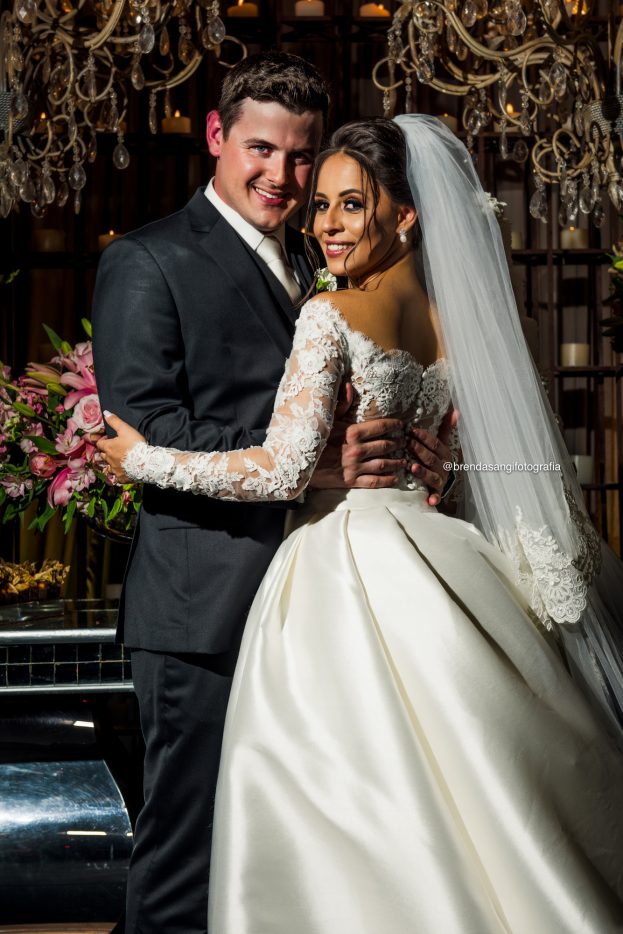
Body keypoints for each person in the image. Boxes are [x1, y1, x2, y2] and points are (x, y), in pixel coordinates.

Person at [100, 116, 623, 932]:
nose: (326, 226)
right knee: (461, 787)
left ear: (404, 214)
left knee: (342, 803)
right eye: (321, 207)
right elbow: (519, 463)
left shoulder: (330, 313)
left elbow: (281, 469)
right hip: (445, 562)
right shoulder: (476, 324)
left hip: (340, 570)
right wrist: (442, 471)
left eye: (351, 204)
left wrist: (143, 459)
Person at [92, 58, 451, 933]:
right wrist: (313, 460)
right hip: (204, 606)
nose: (283, 177)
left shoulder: (320, 257)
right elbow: (145, 424)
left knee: (284, 852)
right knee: (189, 852)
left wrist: (412, 454)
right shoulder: (147, 260)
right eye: (261, 150)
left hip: (319, 602)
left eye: (299, 157)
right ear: (216, 137)